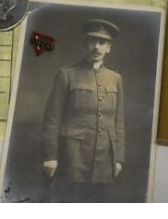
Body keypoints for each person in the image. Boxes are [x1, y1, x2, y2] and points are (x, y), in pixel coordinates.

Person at [41, 19, 125, 202]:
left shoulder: (115, 78)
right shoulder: (67, 74)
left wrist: (118, 158)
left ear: (108, 47)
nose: (96, 47)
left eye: (102, 42)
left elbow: (118, 122)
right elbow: (52, 118)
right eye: (92, 41)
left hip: (105, 158)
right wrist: (50, 156)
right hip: (73, 156)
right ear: (85, 44)